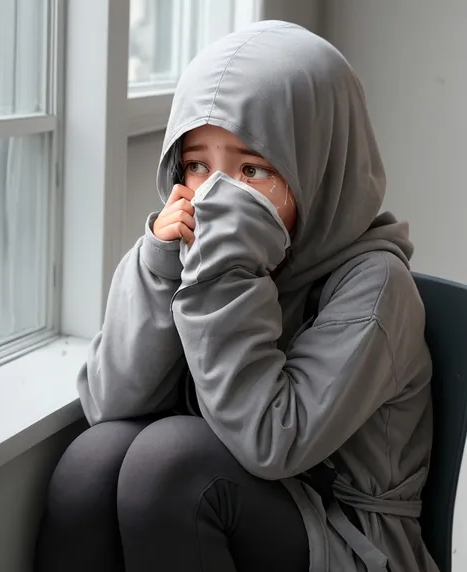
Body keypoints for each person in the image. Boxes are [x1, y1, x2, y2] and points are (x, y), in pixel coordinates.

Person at [35, 21, 438, 572]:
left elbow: (274, 443)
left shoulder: (375, 286)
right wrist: (160, 264)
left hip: (346, 536)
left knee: (169, 461)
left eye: (251, 170)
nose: (217, 196)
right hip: (248, 494)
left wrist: (223, 273)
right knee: (92, 459)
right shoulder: (197, 253)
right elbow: (109, 402)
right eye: (198, 166)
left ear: (321, 169)